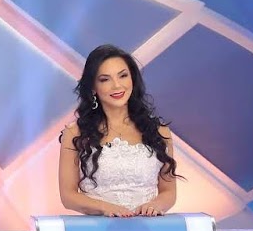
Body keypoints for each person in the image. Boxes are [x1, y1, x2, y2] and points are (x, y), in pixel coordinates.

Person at [58, 44, 180, 217]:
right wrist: (105, 207)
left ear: (133, 79)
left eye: (123, 76)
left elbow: (169, 191)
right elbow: (68, 196)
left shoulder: (159, 131)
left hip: (149, 227)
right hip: (99, 229)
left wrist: (155, 205)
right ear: (93, 87)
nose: (117, 86)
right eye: (105, 79)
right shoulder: (75, 133)